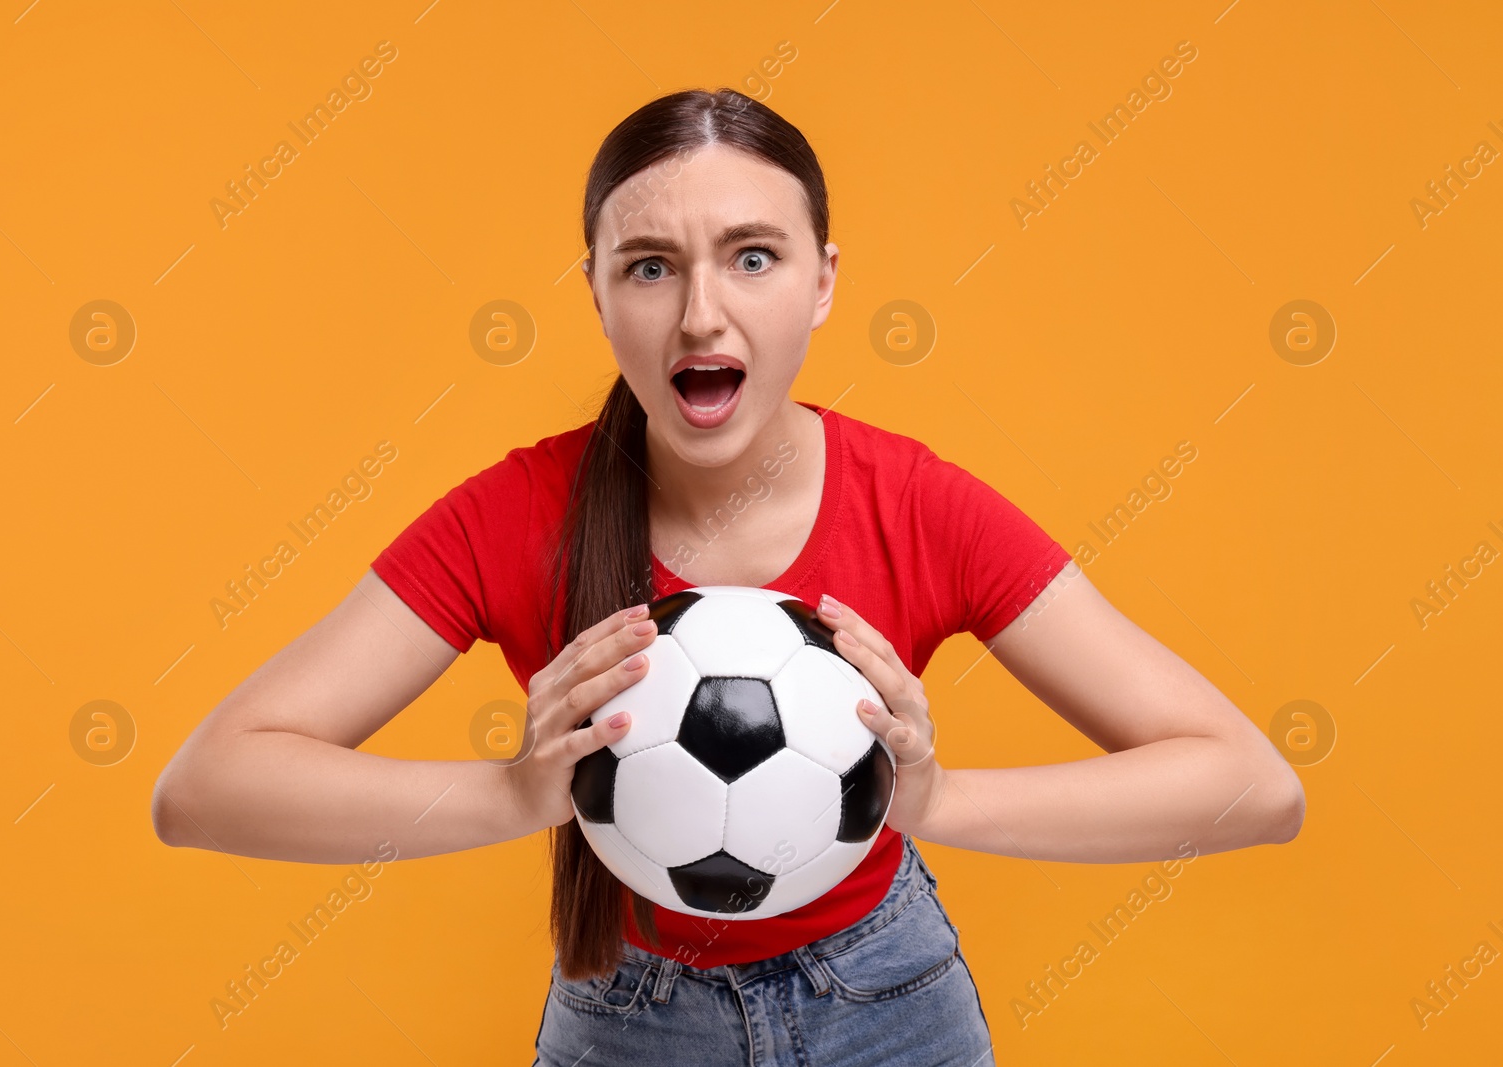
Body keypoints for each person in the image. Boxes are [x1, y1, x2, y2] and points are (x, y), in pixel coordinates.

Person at [151, 88, 1306, 1066]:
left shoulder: (919, 504)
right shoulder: (514, 515)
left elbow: (1251, 784)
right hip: (626, 1015)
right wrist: (511, 794)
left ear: (821, 280)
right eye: (649, 266)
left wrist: (937, 801)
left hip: (892, 1004)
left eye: (753, 256)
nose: (702, 313)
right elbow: (204, 787)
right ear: (598, 291)